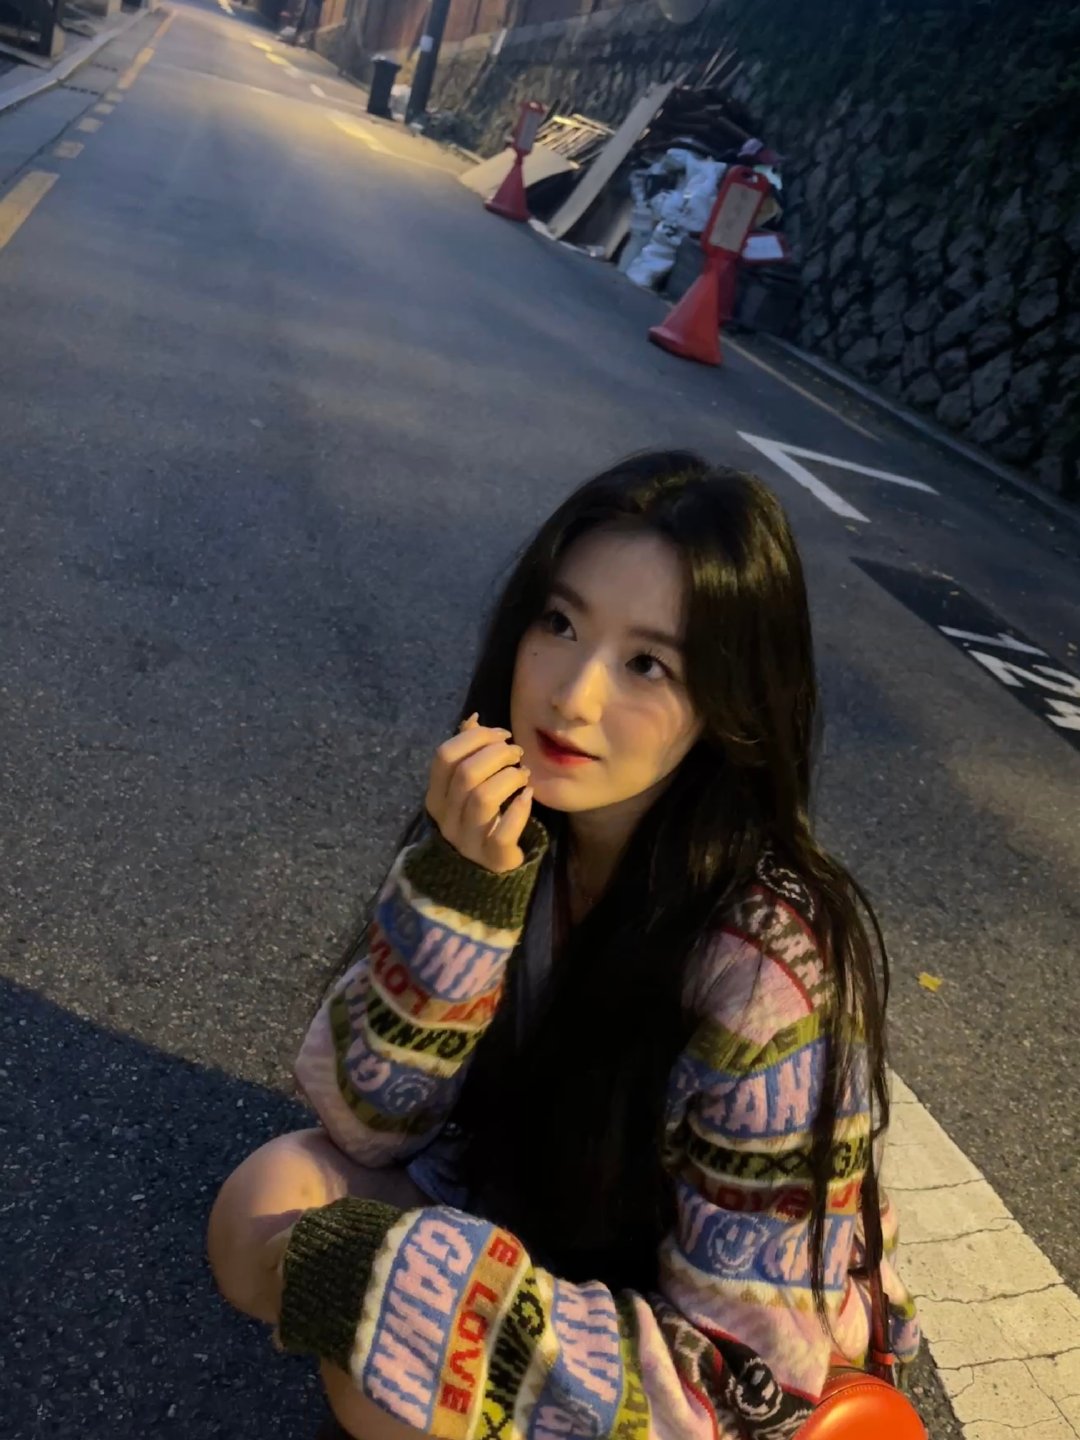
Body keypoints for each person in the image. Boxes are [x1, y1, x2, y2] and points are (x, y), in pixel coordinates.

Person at [207, 451, 920, 1440]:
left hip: (695, 1351)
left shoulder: (772, 969)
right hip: (541, 1215)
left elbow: (748, 1374)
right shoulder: (515, 830)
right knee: (263, 1208)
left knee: (378, 1355)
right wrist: (465, 890)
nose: (574, 695)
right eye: (560, 623)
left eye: (647, 665)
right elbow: (368, 1125)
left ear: (729, 705)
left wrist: (414, 1295)